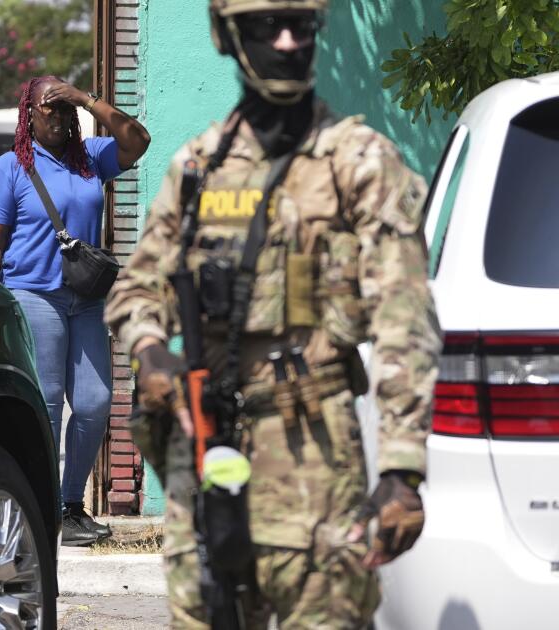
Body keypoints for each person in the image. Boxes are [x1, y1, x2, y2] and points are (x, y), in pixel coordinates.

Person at [105, 0, 441, 626]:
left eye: (302, 27)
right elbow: (136, 289)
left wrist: (401, 470)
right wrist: (151, 350)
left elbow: (405, 322)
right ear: (227, 36)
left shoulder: (360, 163)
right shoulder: (199, 169)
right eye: (266, 27)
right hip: (205, 456)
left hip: (315, 460)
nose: (287, 43)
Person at [0, 76, 151, 546]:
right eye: (47, 109)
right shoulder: (10, 168)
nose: (56, 118)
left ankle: (72, 507)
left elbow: (139, 141)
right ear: (28, 115)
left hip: (86, 299)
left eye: (63, 110)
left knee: (95, 403)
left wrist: (84, 99)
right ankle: (41, 506)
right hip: (33, 294)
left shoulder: (91, 158)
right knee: (48, 403)